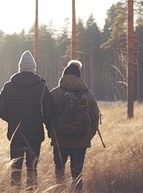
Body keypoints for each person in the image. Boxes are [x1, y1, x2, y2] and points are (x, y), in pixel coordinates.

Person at [0, 50, 54, 190]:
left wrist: (12, 120)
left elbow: (0, 110)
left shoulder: (8, 86)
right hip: (35, 135)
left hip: (16, 135)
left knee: (15, 170)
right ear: (33, 68)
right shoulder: (41, 87)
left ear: (20, 67)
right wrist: (40, 121)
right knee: (32, 169)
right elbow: (49, 112)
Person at [49, 60, 101, 191]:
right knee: (77, 173)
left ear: (63, 75)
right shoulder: (88, 94)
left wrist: (52, 133)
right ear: (79, 77)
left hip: (60, 140)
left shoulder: (55, 94)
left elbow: (47, 116)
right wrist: (88, 135)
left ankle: (60, 190)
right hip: (81, 141)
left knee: (59, 171)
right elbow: (95, 118)